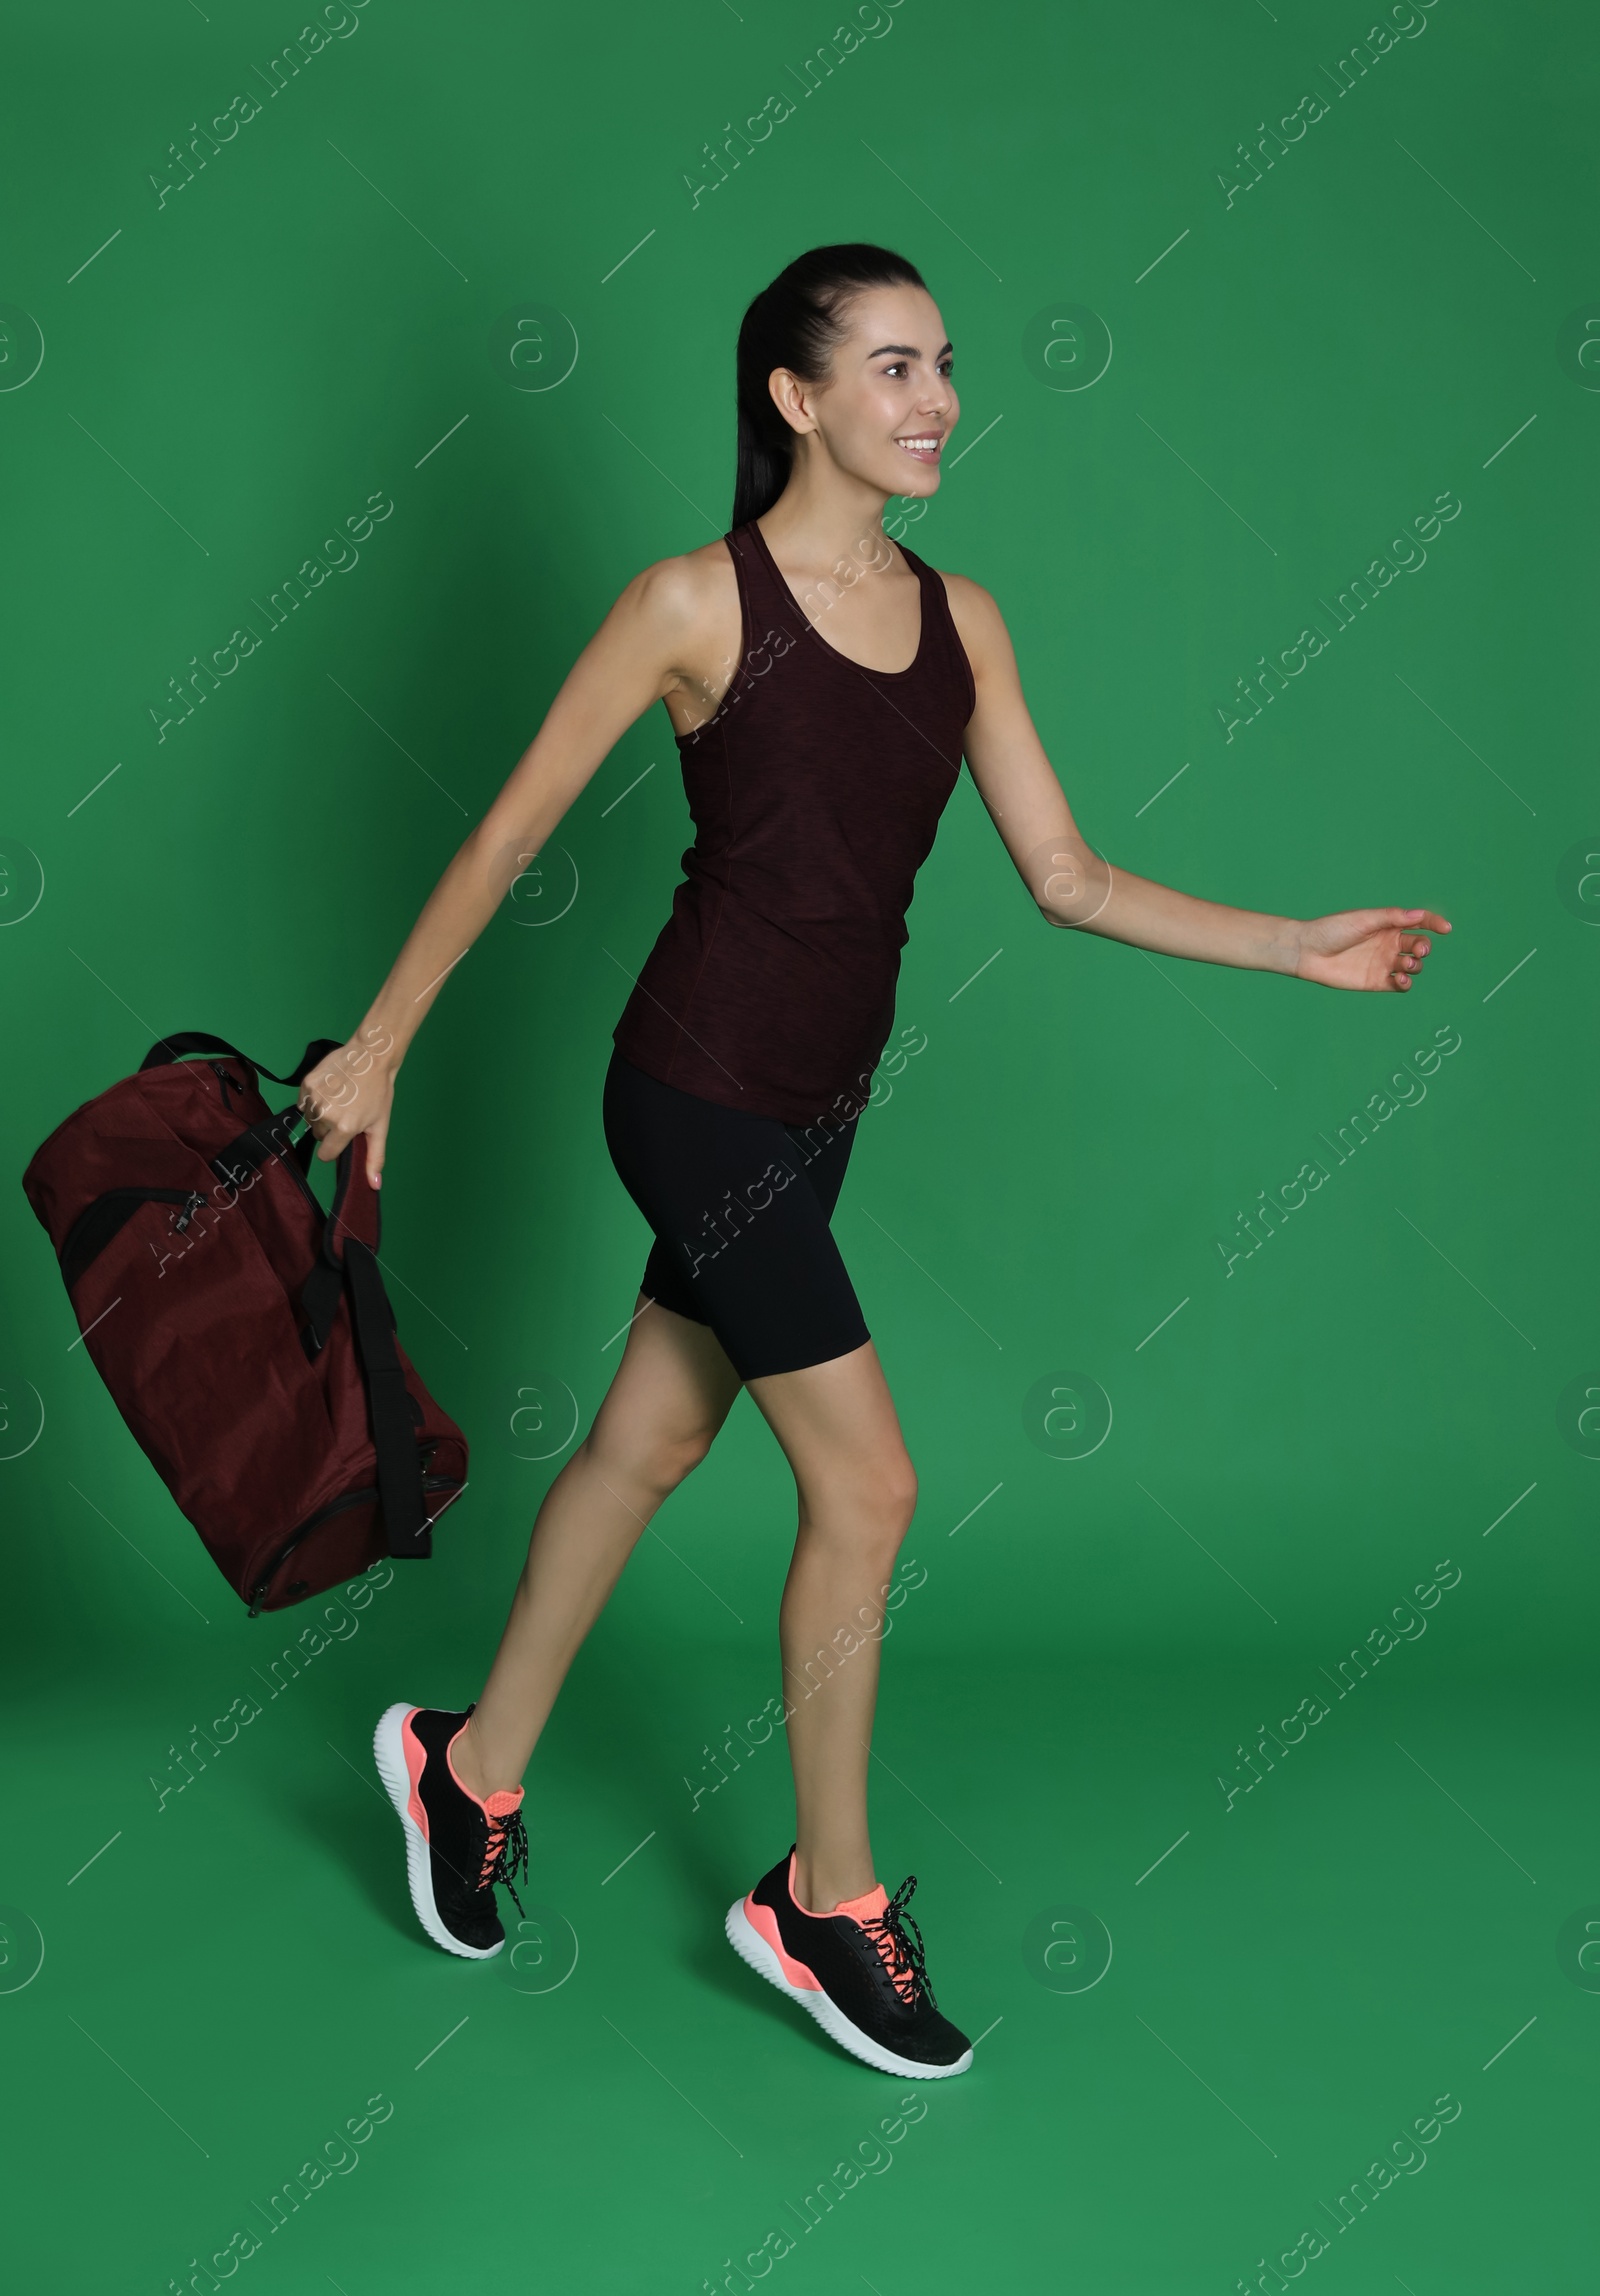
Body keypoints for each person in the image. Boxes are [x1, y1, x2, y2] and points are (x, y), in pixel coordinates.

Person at [299, 243, 1449, 2081]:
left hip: (816, 1112)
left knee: (651, 1442)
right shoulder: (693, 601)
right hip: (694, 1093)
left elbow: (1064, 879)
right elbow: (512, 827)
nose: (937, 401)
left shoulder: (964, 619)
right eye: (896, 367)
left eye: (944, 367)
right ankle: (822, 1907)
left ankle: (465, 1764)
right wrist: (379, 1045)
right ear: (795, 398)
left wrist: (1292, 942)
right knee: (877, 1490)